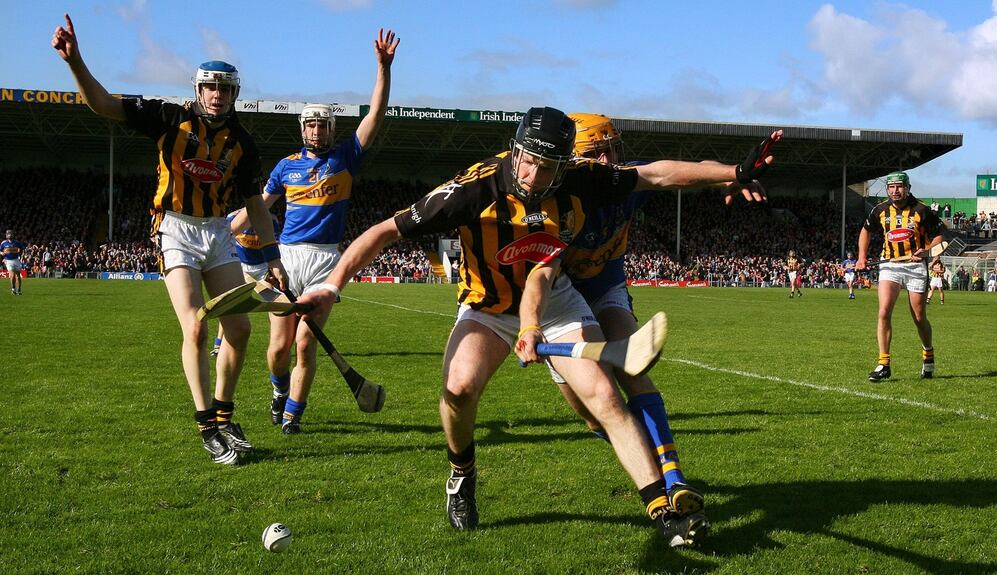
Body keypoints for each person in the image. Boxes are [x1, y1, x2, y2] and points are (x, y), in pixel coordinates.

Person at [297, 107, 781, 548]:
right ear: (515, 149)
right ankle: (461, 473)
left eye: (548, 167)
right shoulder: (470, 191)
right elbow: (384, 230)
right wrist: (333, 287)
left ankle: (662, 510)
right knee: (458, 390)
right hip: (486, 306)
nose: (534, 175)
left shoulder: (578, 180)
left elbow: (652, 176)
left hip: (554, 300)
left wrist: (735, 172)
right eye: (527, 161)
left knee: (605, 397)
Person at [53, 14, 288, 465]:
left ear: (235, 94)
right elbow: (102, 104)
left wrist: (272, 255)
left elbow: (255, 203)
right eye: (211, 87)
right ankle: (207, 428)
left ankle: (224, 415)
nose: (217, 95)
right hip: (175, 227)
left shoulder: (243, 143)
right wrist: (75, 61)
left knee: (238, 327)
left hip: (218, 231)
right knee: (197, 325)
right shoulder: (167, 117)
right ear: (198, 89)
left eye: (226, 88)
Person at [550, 112, 769, 515]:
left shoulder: (626, 178)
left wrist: (730, 174)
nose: (605, 161)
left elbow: (678, 171)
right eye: (593, 153)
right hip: (560, 302)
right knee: (592, 410)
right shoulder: (555, 193)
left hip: (607, 288)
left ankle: (673, 478)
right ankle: (644, 453)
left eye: (610, 149)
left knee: (634, 364)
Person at [231, 30, 398, 434]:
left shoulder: (346, 157)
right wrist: (219, 231)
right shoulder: (284, 167)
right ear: (302, 129)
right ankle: (278, 389)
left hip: (325, 261)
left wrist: (383, 69)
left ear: (331, 128)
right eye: (311, 125)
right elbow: (258, 209)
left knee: (306, 344)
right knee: (278, 348)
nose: (317, 131)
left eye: (323, 126)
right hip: (285, 259)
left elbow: (374, 116)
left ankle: (293, 414)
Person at [856, 171, 944, 382]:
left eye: (899, 187)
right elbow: (866, 231)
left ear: (908, 188)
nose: (895, 191)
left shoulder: (921, 210)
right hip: (890, 265)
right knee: (884, 311)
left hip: (915, 267)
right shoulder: (879, 210)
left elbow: (939, 235)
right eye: (891, 187)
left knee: (919, 317)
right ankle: (883, 363)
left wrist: (927, 252)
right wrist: (861, 257)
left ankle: (928, 354)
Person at [211, 209, 283, 357]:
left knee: (272, 302)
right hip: (240, 265)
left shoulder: (271, 219)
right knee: (232, 304)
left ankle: (276, 344)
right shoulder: (233, 217)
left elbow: (274, 243)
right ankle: (219, 344)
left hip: (262, 268)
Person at [1, 229, 27, 295]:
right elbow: (0, 250)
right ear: (6, 235)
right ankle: (13, 288)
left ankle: (19, 289)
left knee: (18, 276)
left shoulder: (17, 243)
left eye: (11, 233)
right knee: (12, 275)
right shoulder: (3, 243)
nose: (10, 235)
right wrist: (2, 253)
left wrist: (21, 254)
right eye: (9, 234)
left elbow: (22, 249)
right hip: (8, 261)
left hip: (16, 260)